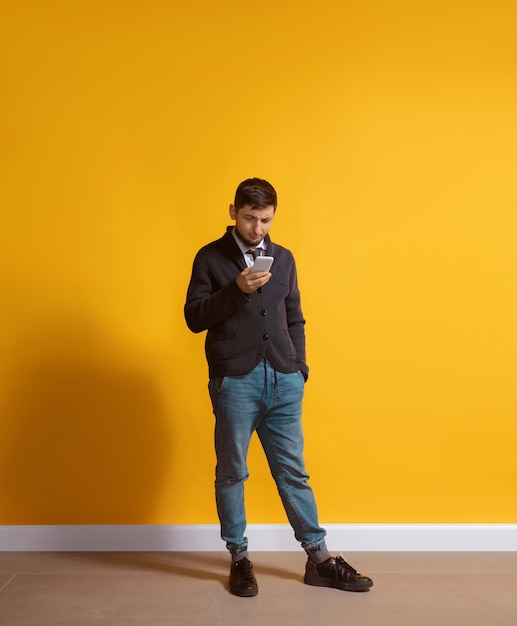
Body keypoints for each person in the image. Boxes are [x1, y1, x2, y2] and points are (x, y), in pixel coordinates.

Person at [184, 178, 373, 597]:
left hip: (284, 379)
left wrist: (298, 369)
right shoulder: (211, 258)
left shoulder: (283, 258)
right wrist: (235, 290)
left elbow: (295, 318)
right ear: (233, 212)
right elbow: (194, 317)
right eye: (250, 218)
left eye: (266, 219)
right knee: (233, 471)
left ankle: (320, 559)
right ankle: (239, 557)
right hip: (235, 379)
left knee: (294, 472)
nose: (257, 228)